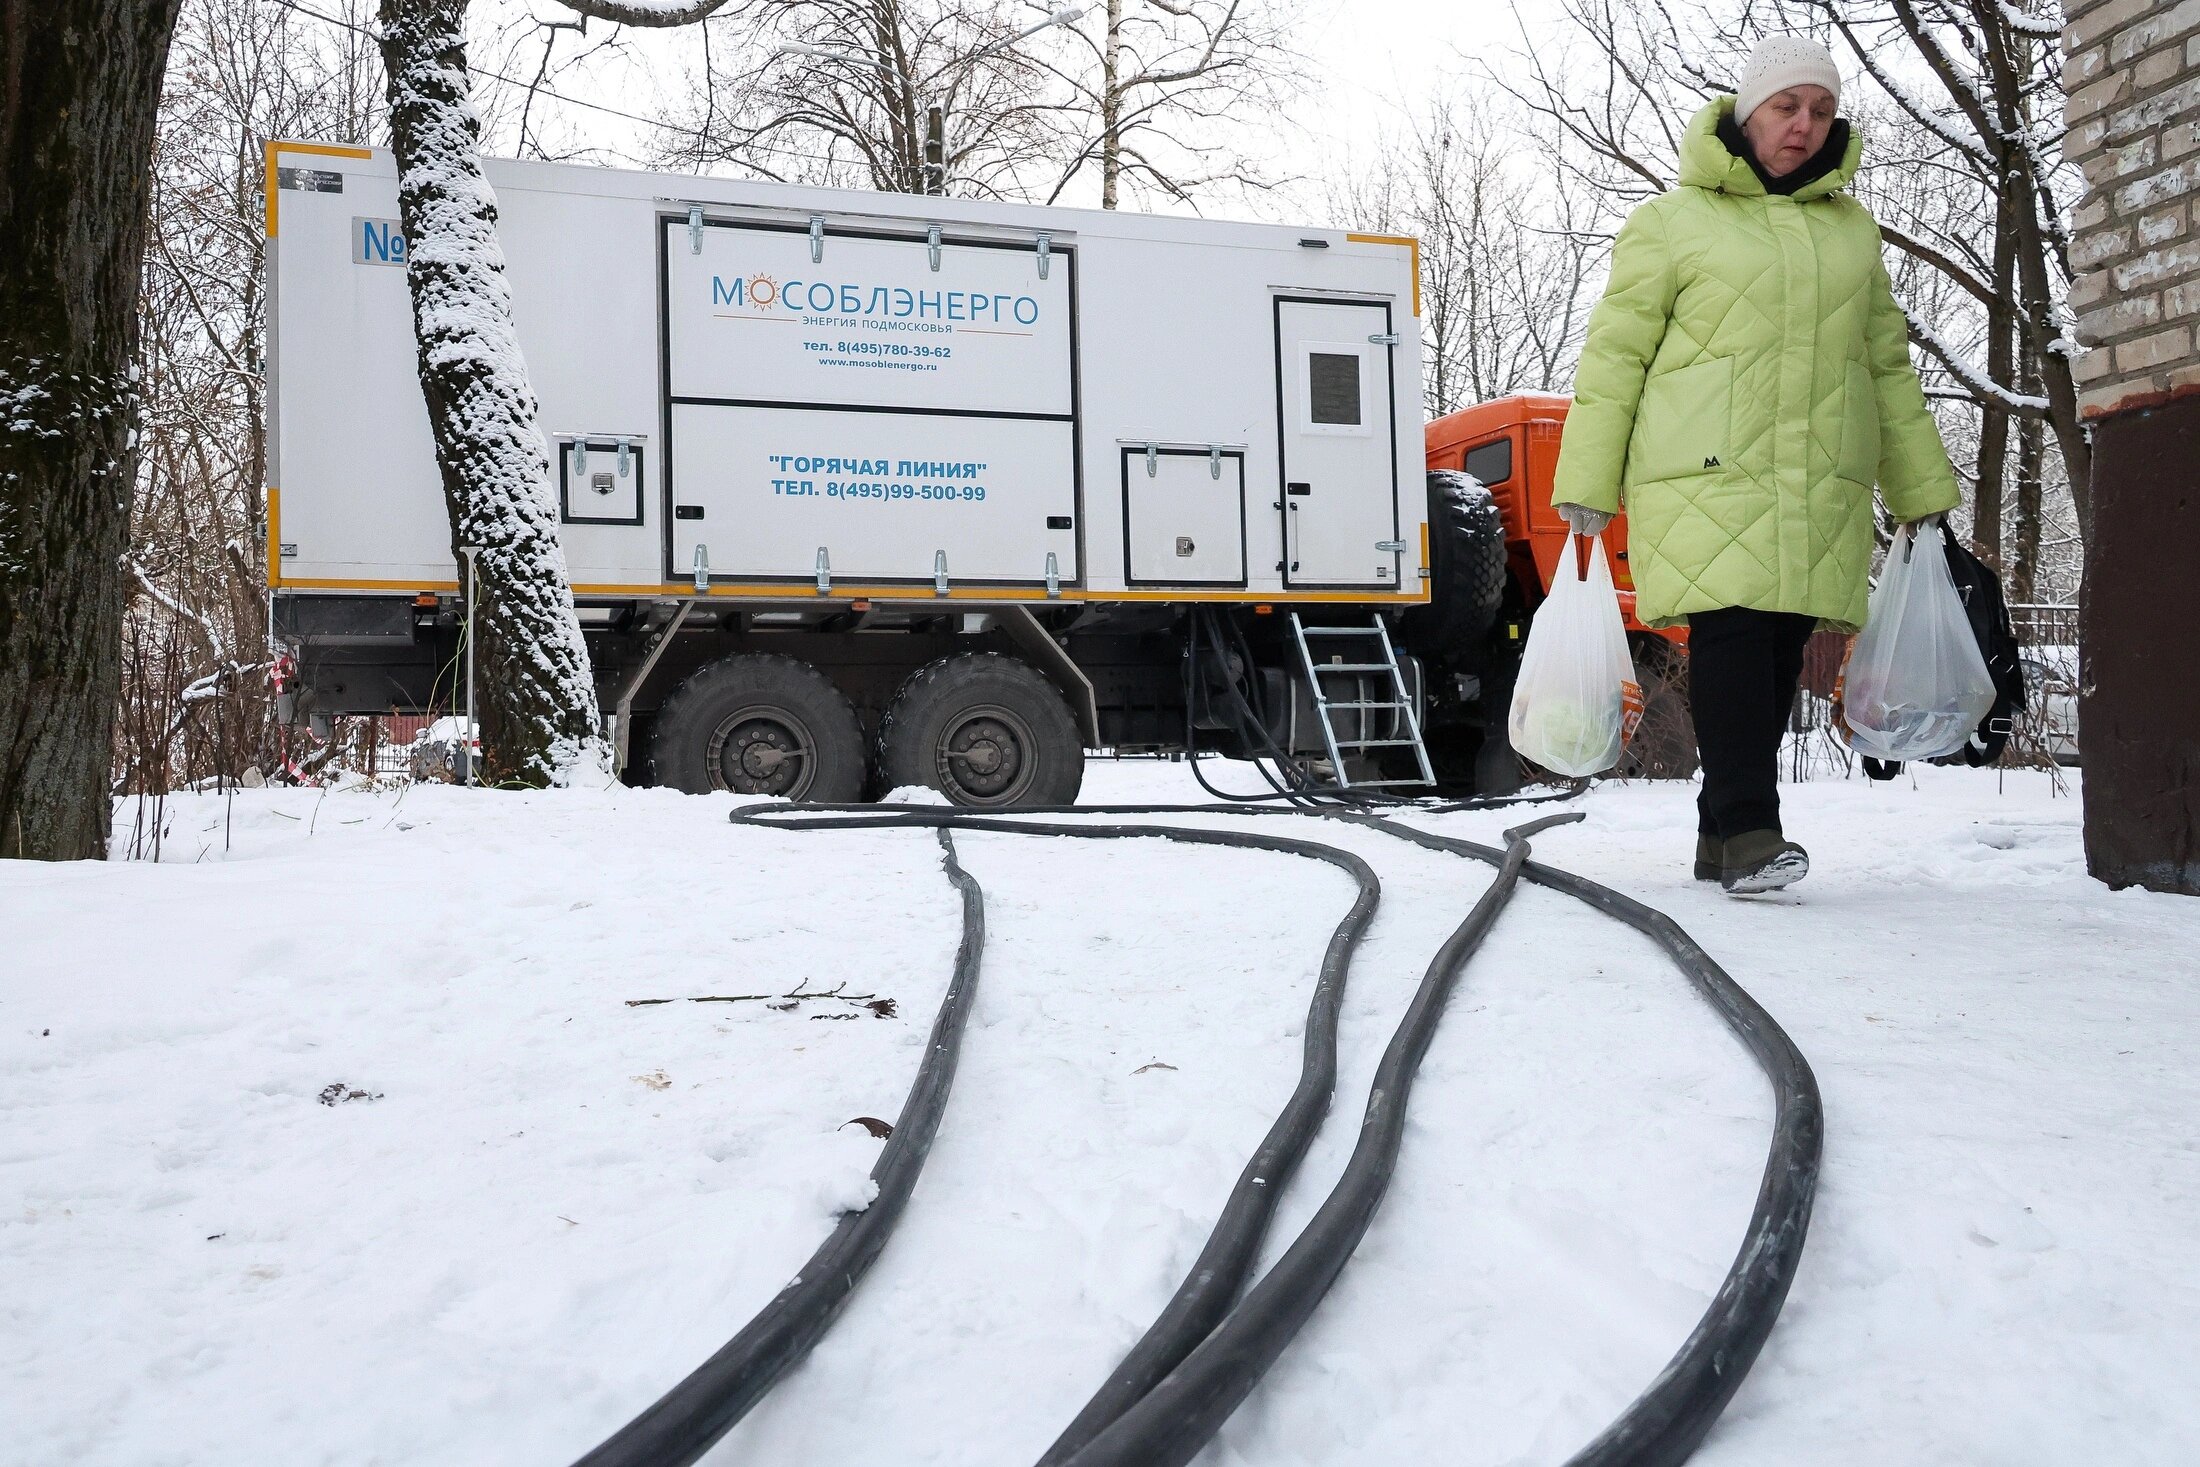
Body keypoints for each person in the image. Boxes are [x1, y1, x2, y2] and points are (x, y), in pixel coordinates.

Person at [1550, 33, 1958, 895]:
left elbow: (1886, 365)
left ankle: (1718, 834)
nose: (1804, 125)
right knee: (1732, 631)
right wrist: (1585, 485)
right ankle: (1748, 829)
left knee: (1776, 653)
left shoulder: (1853, 236)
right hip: (1708, 471)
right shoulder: (1672, 223)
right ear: (1746, 110)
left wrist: (1921, 489)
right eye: (1786, 106)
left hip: (1819, 478)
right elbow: (1614, 357)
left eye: (1821, 110)